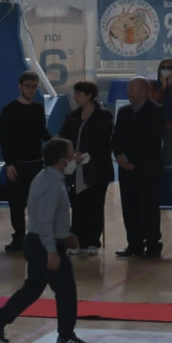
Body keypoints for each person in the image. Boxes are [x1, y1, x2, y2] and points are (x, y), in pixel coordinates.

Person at [0, 137, 94, 343]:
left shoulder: (48, 177)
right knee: (66, 290)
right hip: (44, 244)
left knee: (33, 288)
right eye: (71, 155)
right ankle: (66, 336)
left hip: (38, 242)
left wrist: (65, 236)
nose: (74, 158)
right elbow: (45, 221)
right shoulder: (51, 184)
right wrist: (52, 251)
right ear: (62, 160)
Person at [57, 81, 114, 255]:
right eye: (75, 94)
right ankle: (77, 241)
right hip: (75, 168)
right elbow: (63, 137)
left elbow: (104, 141)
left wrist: (86, 154)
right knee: (77, 205)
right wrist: (70, 154)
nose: (75, 97)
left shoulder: (104, 116)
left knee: (95, 205)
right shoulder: (72, 116)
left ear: (89, 95)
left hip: (96, 167)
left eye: (79, 94)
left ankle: (92, 242)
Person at [0, 72, 52, 253]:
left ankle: (37, 237)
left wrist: (56, 143)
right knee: (16, 204)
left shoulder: (37, 109)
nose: (31, 90)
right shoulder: (9, 110)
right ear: (20, 86)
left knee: (38, 204)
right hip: (17, 164)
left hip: (36, 163)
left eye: (35, 87)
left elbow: (42, 132)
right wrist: (9, 164)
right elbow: (4, 139)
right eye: (28, 86)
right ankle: (19, 238)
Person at [112, 77, 165, 260]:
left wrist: (129, 158)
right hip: (126, 169)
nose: (128, 92)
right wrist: (120, 156)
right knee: (129, 208)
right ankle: (134, 244)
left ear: (144, 91)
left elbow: (151, 140)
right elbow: (116, 138)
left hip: (147, 168)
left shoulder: (156, 111)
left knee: (148, 208)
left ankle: (152, 245)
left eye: (132, 88)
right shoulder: (124, 111)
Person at [149, 58, 172, 166]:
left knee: (168, 154)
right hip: (155, 123)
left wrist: (171, 86)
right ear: (159, 69)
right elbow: (153, 99)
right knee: (154, 152)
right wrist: (163, 87)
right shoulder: (153, 84)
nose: (166, 70)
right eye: (163, 67)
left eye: (169, 68)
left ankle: (167, 174)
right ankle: (155, 175)